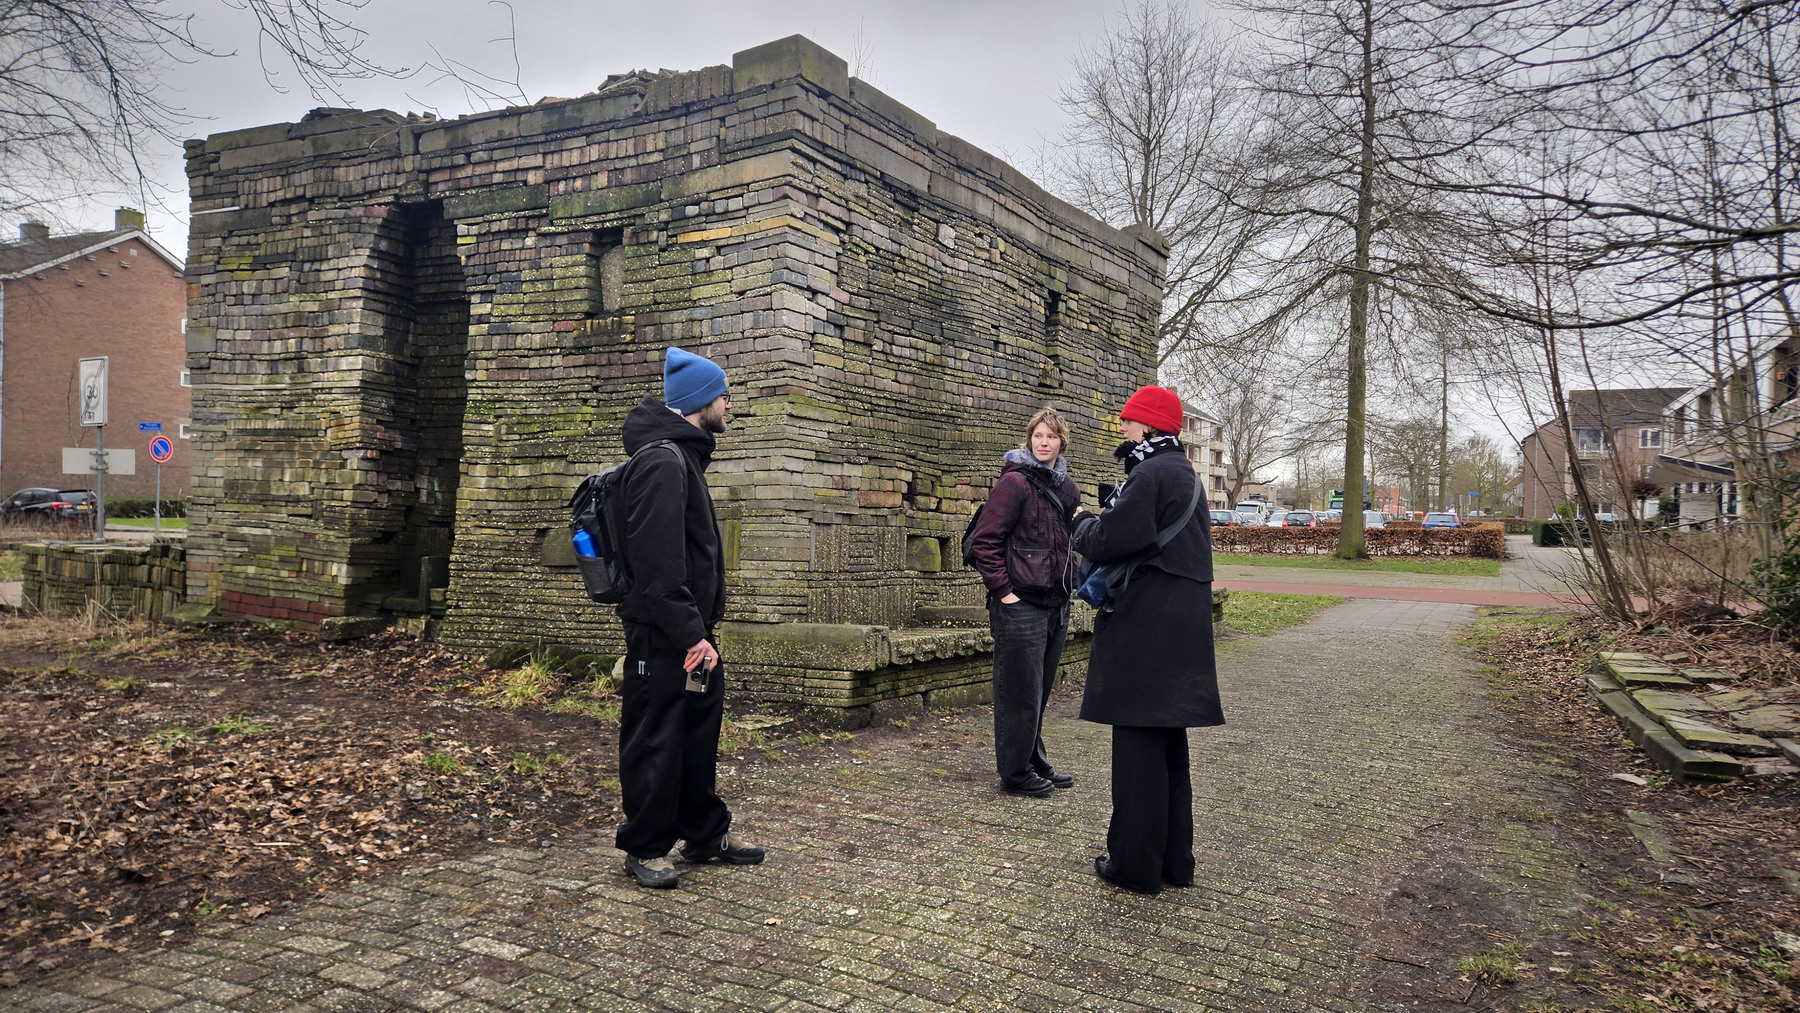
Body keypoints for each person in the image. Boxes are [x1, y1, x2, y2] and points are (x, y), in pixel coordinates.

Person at [613, 346, 764, 889]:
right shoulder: (661, 462)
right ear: (702, 399)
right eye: (724, 393)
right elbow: (657, 569)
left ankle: (703, 831)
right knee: (657, 735)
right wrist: (690, 635)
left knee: (697, 734)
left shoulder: (683, 456)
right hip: (665, 635)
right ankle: (647, 846)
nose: (730, 403)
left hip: (689, 635)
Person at [1070, 385, 1224, 895]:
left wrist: (1082, 524)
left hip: (1147, 627)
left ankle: (1134, 865)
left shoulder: (1152, 472)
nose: (1122, 427)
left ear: (1150, 426)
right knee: (1167, 748)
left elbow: (1111, 539)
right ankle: (1175, 862)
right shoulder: (1183, 473)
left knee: (1137, 747)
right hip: (1178, 626)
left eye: (1128, 420)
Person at [967, 407, 1081, 798]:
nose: (1043, 442)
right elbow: (986, 541)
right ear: (1029, 440)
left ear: (1061, 441)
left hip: (1056, 603)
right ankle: (1014, 773)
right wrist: (1005, 593)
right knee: (1018, 692)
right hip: (1021, 605)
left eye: (1050, 436)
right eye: (1037, 436)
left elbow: (1068, 540)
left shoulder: (1067, 487)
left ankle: (1033, 759)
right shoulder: (1014, 483)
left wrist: (1074, 580)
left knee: (1039, 689)